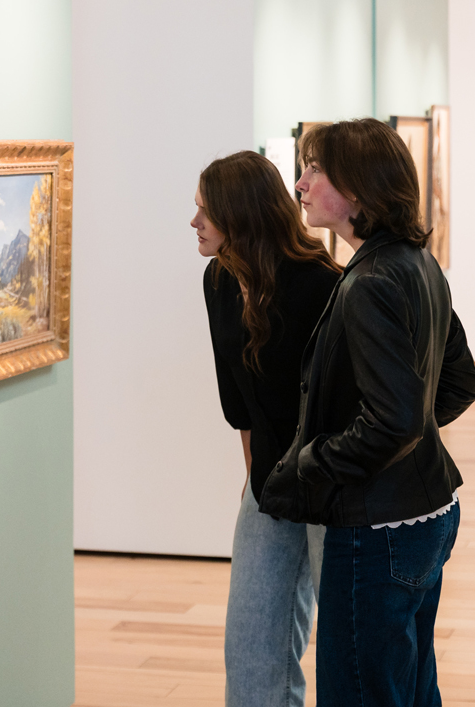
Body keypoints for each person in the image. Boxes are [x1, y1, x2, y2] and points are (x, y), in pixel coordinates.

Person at [258, 119, 475, 706]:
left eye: (314, 170)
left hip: (379, 527)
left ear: (355, 188)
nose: (300, 183)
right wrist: (406, 437)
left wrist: (316, 458)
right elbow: (458, 383)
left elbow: (397, 421)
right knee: (409, 686)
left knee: (360, 693)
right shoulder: (416, 263)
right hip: (428, 510)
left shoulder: (372, 282)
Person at [191, 150, 341, 707]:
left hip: (334, 488)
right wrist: (259, 483)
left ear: (242, 215)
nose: (194, 222)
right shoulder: (218, 280)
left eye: (205, 211)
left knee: (344, 652)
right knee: (251, 647)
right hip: (270, 481)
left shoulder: (324, 285)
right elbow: (240, 402)